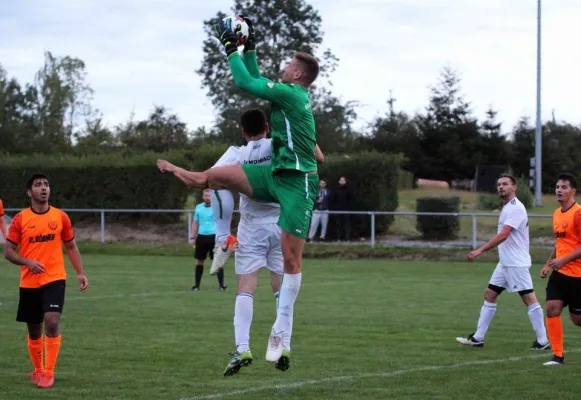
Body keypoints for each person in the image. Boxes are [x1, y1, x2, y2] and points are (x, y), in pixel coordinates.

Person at [157, 16, 322, 370]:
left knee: (293, 263)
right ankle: (223, 240)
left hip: (297, 184)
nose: (285, 66)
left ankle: (281, 335)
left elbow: (245, 80)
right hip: (276, 175)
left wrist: (230, 47)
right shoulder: (290, 100)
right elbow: (256, 79)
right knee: (214, 177)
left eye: (290, 64)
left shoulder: (291, 94)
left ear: (297, 75)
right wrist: (251, 45)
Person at [210, 108, 287, 376]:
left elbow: (212, 177)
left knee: (246, 288)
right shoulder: (277, 145)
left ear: (243, 132)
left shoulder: (238, 153)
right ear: (267, 127)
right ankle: (280, 345)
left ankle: (243, 347)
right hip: (282, 223)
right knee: (282, 290)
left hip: (251, 227)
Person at [3, 174, 89, 389]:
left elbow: (70, 246)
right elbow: (8, 252)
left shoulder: (61, 217)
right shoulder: (20, 219)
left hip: (55, 278)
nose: (43, 188)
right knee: (34, 329)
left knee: (51, 321)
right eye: (38, 185)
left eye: (46, 184)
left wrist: (80, 272)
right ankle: (38, 369)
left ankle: (49, 373)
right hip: (30, 281)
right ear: (29, 192)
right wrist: (27, 262)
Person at [456, 174, 549, 350]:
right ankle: (478, 338)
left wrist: (479, 250)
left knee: (529, 299)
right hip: (505, 262)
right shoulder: (507, 207)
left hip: (515, 263)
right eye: (499, 184)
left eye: (505, 184)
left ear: (514, 187)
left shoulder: (515, 208)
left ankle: (543, 340)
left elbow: (504, 235)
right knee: (490, 294)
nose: (501, 187)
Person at [540, 173, 581, 366]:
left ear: (573, 191)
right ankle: (558, 356)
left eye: (564, 187)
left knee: (577, 319)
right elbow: (560, 243)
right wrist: (549, 263)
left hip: (578, 275)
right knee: (551, 308)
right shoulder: (556, 214)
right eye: (557, 187)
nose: (559, 190)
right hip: (560, 273)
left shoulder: (579, 214)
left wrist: (563, 260)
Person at [190, 189, 226, 291]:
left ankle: (221, 286)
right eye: (205, 195)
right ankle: (196, 286)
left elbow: (222, 222)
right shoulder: (199, 208)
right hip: (201, 237)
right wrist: (193, 236)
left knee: (217, 262)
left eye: (209, 196)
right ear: (203, 196)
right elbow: (195, 223)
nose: (207, 197)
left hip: (214, 237)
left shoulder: (217, 208)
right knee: (199, 261)